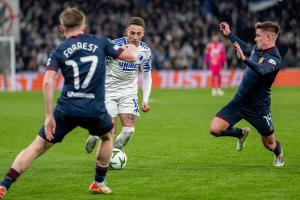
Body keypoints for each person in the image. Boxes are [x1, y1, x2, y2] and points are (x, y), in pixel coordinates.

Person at [0, 7, 138, 199]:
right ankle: (98, 183)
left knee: (37, 147)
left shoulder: (59, 50)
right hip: (94, 109)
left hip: (66, 109)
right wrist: (133, 45)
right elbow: (130, 57)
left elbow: (48, 81)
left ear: (61, 27)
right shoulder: (100, 42)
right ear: (84, 26)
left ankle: (4, 185)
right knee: (108, 137)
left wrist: (49, 116)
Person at [209, 21, 284, 167]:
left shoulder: (274, 58)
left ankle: (279, 153)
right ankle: (240, 133)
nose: (256, 39)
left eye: (258, 36)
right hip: (239, 101)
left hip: (258, 108)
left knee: (269, 144)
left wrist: (244, 59)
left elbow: (262, 70)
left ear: (269, 37)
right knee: (214, 129)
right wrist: (229, 35)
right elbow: (247, 48)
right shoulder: (257, 49)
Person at [85, 17, 152, 153]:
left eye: (138, 34)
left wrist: (145, 99)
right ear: (127, 31)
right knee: (110, 131)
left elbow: (146, 75)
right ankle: (95, 134)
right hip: (108, 91)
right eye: (132, 33)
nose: (135, 37)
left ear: (143, 34)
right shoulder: (114, 46)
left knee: (128, 131)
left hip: (129, 92)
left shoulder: (145, 51)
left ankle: (113, 153)